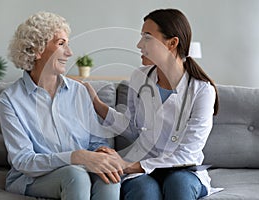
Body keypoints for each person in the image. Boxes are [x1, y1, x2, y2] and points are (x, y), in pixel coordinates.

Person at [81, 8, 219, 200]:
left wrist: (127, 165)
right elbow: (131, 127)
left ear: (172, 43)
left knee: (178, 184)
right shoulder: (139, 77)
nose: (139, 44)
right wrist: (96, 103)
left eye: (147, 37)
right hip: (142, 165)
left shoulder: (202, 91)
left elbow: (187, 153)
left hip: (182, 169)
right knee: (144, 191)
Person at [0, 11, 122, 200]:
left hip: (80, 169)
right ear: (36, 50)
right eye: (61, 44)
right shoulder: (10, 100)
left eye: (68, 44)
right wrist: (76, 156)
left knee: (110, 178)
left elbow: (96, 141)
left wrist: (101, 152)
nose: (69, 53)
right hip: (33, 178)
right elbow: (24, 161)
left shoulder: (79, 92)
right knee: (75, 176)